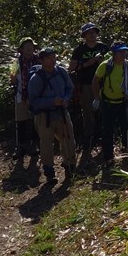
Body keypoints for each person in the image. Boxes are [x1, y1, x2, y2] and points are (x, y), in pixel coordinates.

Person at [27, 46, 76, 183]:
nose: (53, 60)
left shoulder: (61, 72)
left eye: (54, 57)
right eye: (49, 58)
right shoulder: (36, 79)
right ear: (42, 60)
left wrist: (66, 99)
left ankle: (70, 166)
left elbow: (69, 88)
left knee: (68, 139)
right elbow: (33, 101)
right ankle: (49, 172)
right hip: (44, 116)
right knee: (47, 144)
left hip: (61, 112)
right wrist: (51, 102)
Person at [93, 42, 128, 162]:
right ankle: (108, 157)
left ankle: (127, 154)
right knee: (107, 130)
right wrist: (97, 98)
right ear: (114, 53)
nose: (124, 54)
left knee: (126, 128)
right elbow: (95, 81)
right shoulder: (105, 65)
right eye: (120, 52)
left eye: (125, 51)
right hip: (108, 102)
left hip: (124, 102)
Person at [69, 22, 111, 152]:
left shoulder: (103, 47)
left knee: (104, 109)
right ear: (84, 35)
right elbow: (71, 68)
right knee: (87, 110)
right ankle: (88, 137)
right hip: (86, 84)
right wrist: (89, 63)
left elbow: (113, 63)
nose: (92, 35)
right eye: (89, 33)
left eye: (94, 32)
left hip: (103, 84)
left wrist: (103, 61)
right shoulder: (79, 50)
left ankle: (103, 136)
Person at [9, 37, 41, 167]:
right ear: (21, 49)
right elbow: (11, 77)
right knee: (21, 121)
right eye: (27, 46)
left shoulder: (39, 59)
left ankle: (35, 144)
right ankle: (21, 146)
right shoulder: (15, 62)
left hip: (36, 95)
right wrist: (13, 78)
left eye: (31, 46)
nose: (29, 49)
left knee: (35, 121)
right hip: (21, 95)